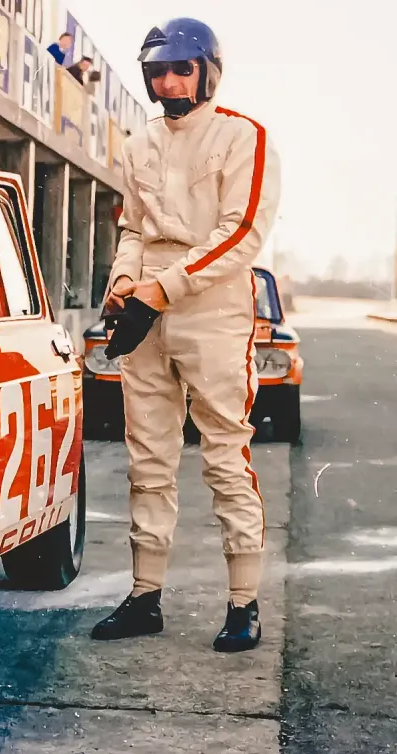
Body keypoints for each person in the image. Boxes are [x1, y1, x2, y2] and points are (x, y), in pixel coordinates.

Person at [89, 17, 282, 653]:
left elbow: (241, 233)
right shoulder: (139, 142)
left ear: (207, 72)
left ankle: (243, 603)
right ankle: (145, 596)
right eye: (157, 72)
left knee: (225, 454)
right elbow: (133, 227)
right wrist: (124, 281)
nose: (169, 82)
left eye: (181, 69)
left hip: (212, 308)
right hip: (145, 308)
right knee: (147, 459)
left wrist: (164, 287)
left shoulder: (243, 136)